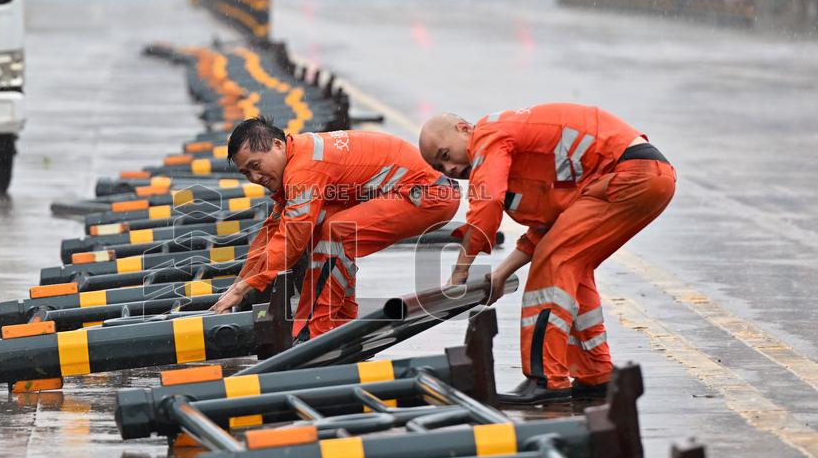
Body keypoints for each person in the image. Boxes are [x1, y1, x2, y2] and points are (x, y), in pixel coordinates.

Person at [419, 103, 676, 404]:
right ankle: (595, 375)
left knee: (555, 263)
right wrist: (502, 273)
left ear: (464, 129)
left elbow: (486, 207)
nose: (449, 170)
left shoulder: (488, 134)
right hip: (646, 176)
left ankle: (545, 379)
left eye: (445, 156)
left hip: (631, 174)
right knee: (572, 266)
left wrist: (459, 271)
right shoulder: (523, 160)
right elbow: (548, 228)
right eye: (439, 168)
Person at [210, 116, 460, 340]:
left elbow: (291, 238)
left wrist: (245, 287)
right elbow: (273, 231)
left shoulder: (304, 169)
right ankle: (340, 323)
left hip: (430, 192)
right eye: (246, 173)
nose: (256, 178)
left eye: (256, 165)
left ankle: (316, 333)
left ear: (277, 145)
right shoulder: (298, 158)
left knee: (336, 232)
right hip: (425, 190)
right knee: (324, 228)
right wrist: (239, 283)